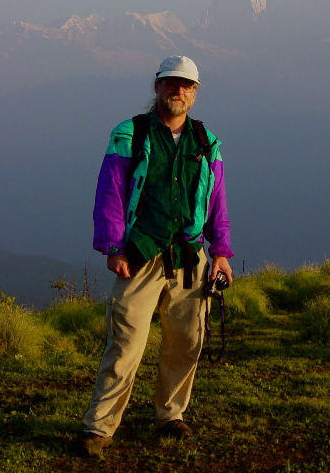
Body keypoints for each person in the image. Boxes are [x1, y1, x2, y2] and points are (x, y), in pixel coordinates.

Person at [79, 55, 233, 457]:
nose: (178, 90)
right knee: (126, 342)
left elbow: (216, 201)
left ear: (195, 93)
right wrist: (113, 247)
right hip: (140, 254)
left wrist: (221, 252)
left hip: (190, 257)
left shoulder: (207, 141)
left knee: (186, 341)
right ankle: (99, 426)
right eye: (170, 83)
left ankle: (171, 415)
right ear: (157, 86)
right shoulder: (131, 133)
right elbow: (110, 192)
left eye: (186, 85)